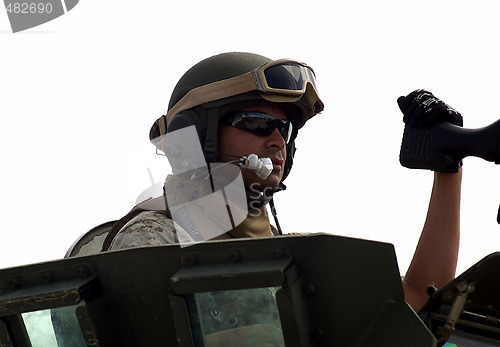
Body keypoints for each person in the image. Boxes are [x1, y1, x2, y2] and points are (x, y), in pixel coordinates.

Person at [101, 52, 462, 313]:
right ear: (194, 136)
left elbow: (419, 298)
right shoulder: (153, 238)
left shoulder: (290, 255)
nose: (277, 142)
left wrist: (447, 163)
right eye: (257, 122)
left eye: (285, 129)